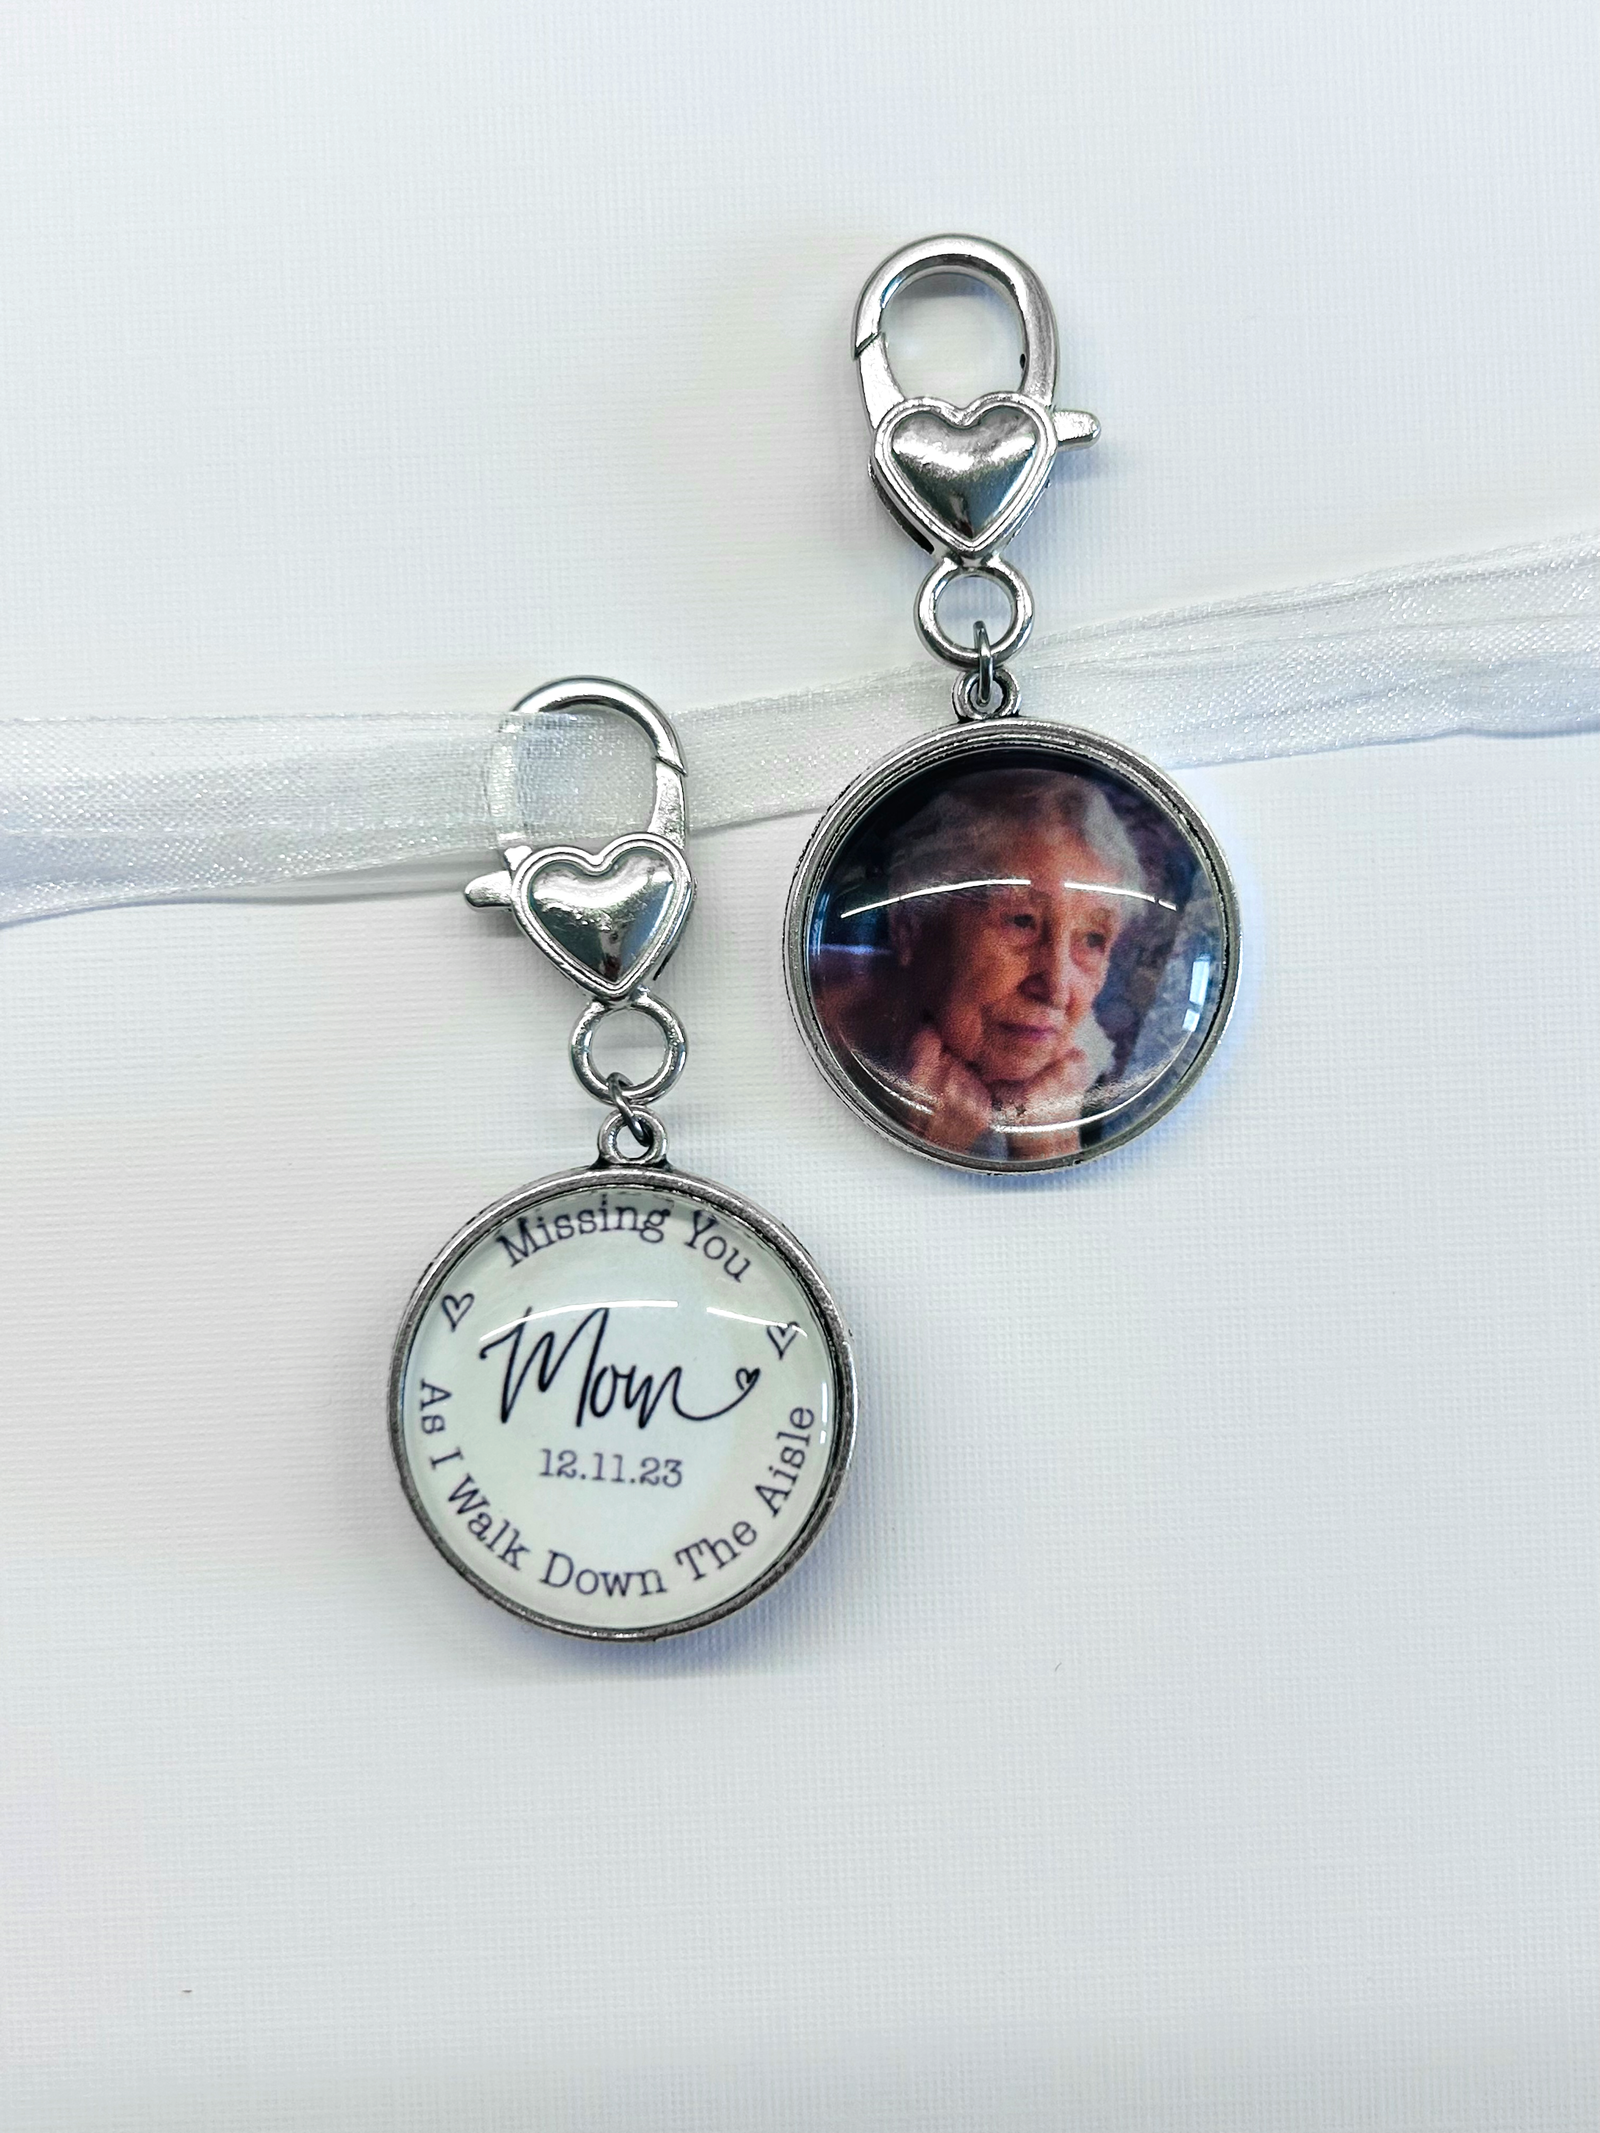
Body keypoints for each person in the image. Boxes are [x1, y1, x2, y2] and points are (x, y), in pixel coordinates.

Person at [818, 766, 1149, 1162]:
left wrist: (1048, 1148)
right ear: (910, 925)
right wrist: (920, 1145)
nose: (1057, 988)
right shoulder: (809, 1037)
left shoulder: (1093, 1075)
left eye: (1092, 939)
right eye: (1022, 920)